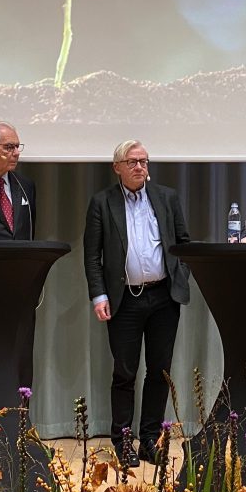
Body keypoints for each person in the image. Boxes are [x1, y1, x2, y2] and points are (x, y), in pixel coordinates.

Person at [83, 140, 192, 467]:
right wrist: (99, 295)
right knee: (125, 373)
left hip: (163, 297)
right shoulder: (102, 202)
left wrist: (180, 274)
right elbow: (92, 256)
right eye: (132, 162)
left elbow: (183, 244)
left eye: (144, 161)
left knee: (160, 372)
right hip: (124, 300)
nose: (140, 167)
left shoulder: (166, 197)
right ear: (117, 167)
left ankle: (149, 439)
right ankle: (122, 441)